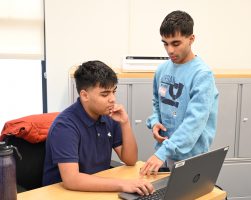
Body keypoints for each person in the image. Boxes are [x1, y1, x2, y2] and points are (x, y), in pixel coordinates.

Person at [43, 60, 154, 195]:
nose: (112, 99)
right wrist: (123, 184)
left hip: (97, 187)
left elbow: (130, 160)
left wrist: (125, 123)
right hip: (64, 194)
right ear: (84, 95)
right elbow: (71, 180)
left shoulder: (108, 116)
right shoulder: (65, 126)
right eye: (105, 94)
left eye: (114, 91)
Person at [140, 10, 219, 175]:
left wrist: (161, 153)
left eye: (176, 43)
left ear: (191, 39)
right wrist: (155, 122)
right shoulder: (162, 69)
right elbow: (157, 102)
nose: (169, 50)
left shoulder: (202, 74)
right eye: (165, 43)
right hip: (168, 153)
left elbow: (194, 122)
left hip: (192, 157)